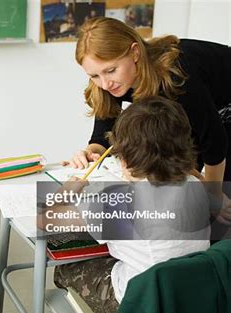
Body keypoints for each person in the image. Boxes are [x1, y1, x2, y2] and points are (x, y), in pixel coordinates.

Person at [52, 96, 210, 313]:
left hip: (141, 303)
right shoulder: (198, 185)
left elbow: (46, 220)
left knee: (66, 267)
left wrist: (70, 188)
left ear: (124, 158)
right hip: (191, 295)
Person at [65, 17, 231, 194]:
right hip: (203, 112)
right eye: (94, 76)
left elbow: (215, 145)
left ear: (135, 52)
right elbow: (103, 136)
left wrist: (214, 196)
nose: (105, 84)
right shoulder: (112, 82)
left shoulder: (177, 78)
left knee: (219, 199)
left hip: (221, 104)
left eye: (111, 70)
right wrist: (91, 152)